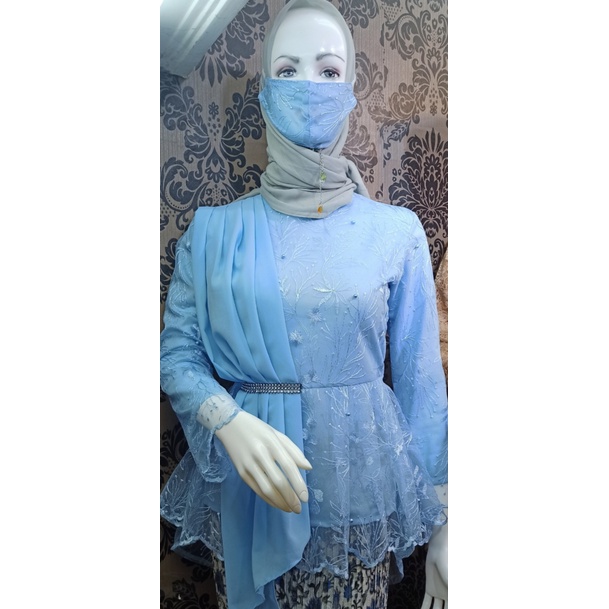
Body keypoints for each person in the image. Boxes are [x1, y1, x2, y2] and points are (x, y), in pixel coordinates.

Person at [160, 1, 448, 608]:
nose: (309, 86)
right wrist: (227, 420)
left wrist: (449, 522)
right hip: (250, 489)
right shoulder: (213, 232)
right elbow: (177, 356)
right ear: (265, 92)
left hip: (359, 499)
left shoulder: (396, 232)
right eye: (287, 70)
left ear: (350, 88)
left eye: (328, 69)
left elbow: (422, 388)